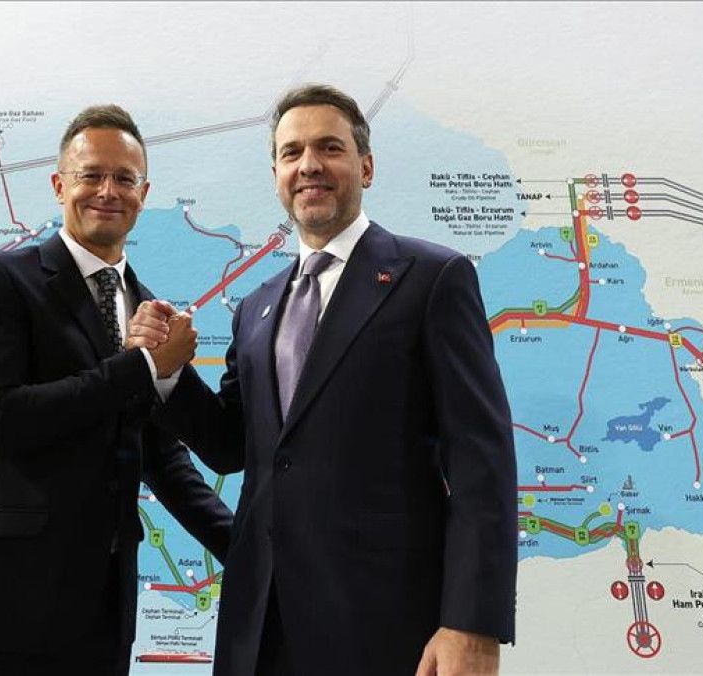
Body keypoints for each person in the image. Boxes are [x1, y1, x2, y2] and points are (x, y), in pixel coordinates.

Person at [129, 84, 517, 675]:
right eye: (292, 152)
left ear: (366, 166)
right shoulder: (255, 309)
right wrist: (166, 373)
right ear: (277, 177)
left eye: (329, 148)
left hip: (385, 627)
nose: (309, 164)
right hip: (260, 629)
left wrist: (472, 623)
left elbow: (480, 461)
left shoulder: (433, 279)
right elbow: (233, 445)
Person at [0, 104, 233, 676]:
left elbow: (161, 459)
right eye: (91, 175)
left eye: (124, 178)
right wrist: (142, 366)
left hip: (95, 627)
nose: (108, 191)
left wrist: (254, 553)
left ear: (144, 194)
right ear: (60, 185)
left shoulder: (147, 311)